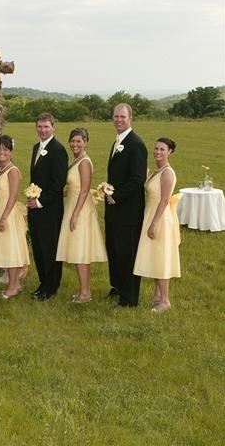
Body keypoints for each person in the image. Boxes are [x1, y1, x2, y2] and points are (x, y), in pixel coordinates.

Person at [56, 128, 107, 303]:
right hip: (72, 204)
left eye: (79, 141)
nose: (75, 144)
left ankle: (86, 293)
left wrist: (76, 214)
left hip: (81, 210)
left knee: (81, 251)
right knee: (77, 250)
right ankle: (82, 289)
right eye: (73, 141)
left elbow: (85, 190)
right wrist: (67, 190)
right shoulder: (76, 160)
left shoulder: (85, 162)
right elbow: (76, 185)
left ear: (85, 142)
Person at [105, 103, 148, 307]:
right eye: (116, 116)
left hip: (128, 211)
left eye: (122, 116)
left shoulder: (136, 144)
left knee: (126, 253)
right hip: (114, 210)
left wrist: (117, 196)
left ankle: (129, 297)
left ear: (131, 118)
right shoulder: (118, 141)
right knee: (114, 251)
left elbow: (138, 178)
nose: (118, 120)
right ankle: (118, 287)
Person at [134, 138, 180, 313]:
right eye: (156, 148)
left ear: (170, 152)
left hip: (160, 217)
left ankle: (165, 300)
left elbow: (165, 200)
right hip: (150, 213)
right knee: (154, 254)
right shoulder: (156, 171)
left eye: (162, 149)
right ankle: (157, 294)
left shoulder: (167, 173)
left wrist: (154, 223)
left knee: (161, 257)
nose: (158, 152)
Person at [27, 113, 69, 301]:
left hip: (50, 210)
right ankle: (43, 283)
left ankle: (50, 287)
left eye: (46, 127)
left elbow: (58, 182)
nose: (42, 130)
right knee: (38, 249)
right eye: (39, 127)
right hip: (34, 208)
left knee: (49, 249)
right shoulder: (37, 147)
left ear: (53, 127)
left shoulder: (58, 150)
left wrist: (40, 201)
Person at [0, 135, 30, 299]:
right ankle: (15, 284)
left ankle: (13, 286)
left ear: (11, 151)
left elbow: (13, 196)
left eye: (5, 149)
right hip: (0, 210)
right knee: (6, 248)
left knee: (11, 249)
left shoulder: (13, 171)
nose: (1, 152)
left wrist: (4, 217)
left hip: (9, 213)